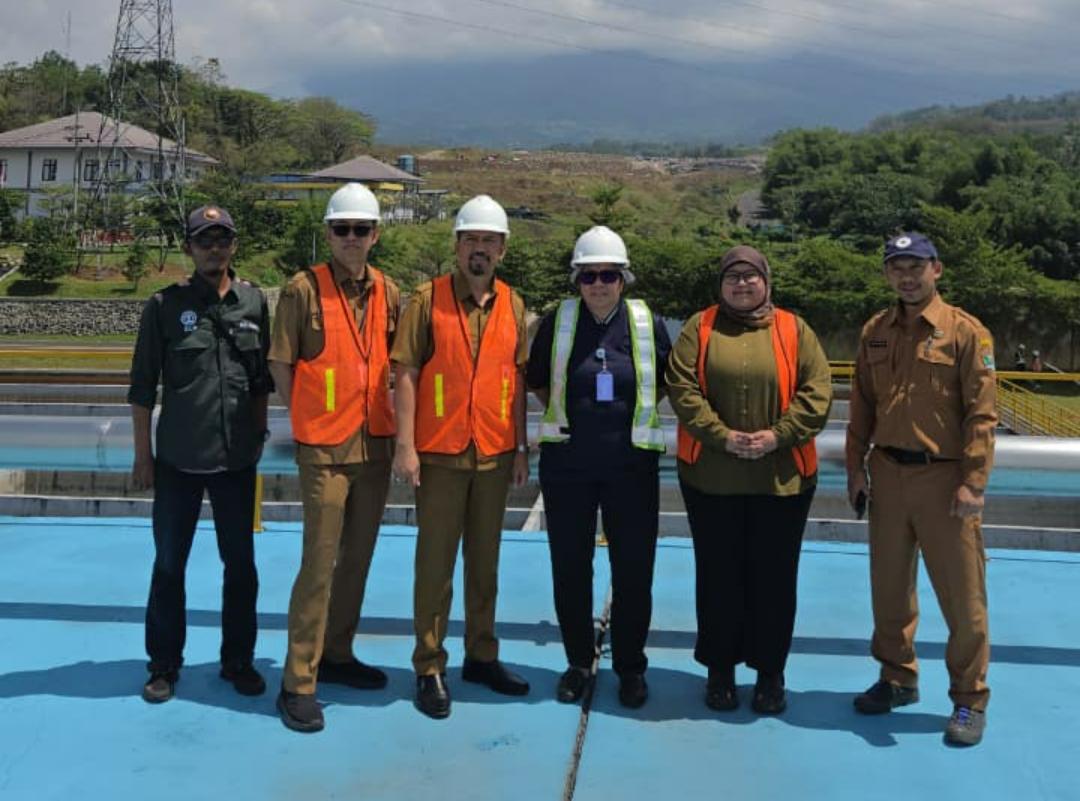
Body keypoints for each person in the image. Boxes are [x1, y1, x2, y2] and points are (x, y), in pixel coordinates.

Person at [846, 232, 997, 747]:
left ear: (937, 269)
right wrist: (854, 468)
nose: (906, 276)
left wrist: (973, 482)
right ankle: (897, 677)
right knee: (888, 588)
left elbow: (982, 414)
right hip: (887, 474)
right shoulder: (876, 330)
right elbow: (861, 406)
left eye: (916, 266)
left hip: (945, 479)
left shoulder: (966, 333)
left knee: (962, 597)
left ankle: (969, 699)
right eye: (896, 268)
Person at [666, 245, 831, 715]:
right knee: (718, 577)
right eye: (732, 277)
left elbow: (816, 392)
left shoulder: (794, 329)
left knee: (774, 579)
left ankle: (769, 674)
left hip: (781, 481)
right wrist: (722, 436)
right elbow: (683, 389)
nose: (741, 284)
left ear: (766, 281)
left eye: (750, 276)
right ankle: (720, 670)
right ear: (719, 285)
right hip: (711, 479)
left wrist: (777, 437)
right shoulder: (698, 329)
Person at [391, 194, 531, 719]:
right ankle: (429, 665)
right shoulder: (426, 301)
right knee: (435, 564)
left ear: (502, 249)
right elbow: (404, 373)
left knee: (485, 562)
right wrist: (406, 446)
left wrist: (518, 446)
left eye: (489, 241)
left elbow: (515, 382)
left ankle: (481, 655)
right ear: (456, 245)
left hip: (494, 453)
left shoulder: (515, 305)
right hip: (441, 454)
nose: (480, 249)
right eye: (471, 239)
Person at [270, 183, 400, 733]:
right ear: (328, 234)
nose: (352, 239)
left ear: (375, 235)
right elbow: (280, 364)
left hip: (373, 446)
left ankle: (338, 654)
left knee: (358, 559)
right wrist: (308, 419)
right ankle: (299, 680)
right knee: (319, 564)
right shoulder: (303, 290)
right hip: (324, 449)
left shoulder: (390, 292)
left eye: (362, 229)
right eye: (343, 229)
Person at [129, 205, 272, 704]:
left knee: (242, 566)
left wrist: (259, 431)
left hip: (236, 462)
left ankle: (238, 660)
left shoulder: (253, 302)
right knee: (169, 564)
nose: (215, 248)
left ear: (234, 245)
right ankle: (164, 665)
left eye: (223, 239)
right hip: (177, 461)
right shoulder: (165, 306)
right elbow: (142, 387)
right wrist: (142, 456)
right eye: (204, 240)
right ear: (188, 247)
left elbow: (260, 381)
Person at [527, 226, 670, 708]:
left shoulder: (646, 323)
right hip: (569, 467)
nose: (599, 284)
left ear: (623, 278)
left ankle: (630, 666)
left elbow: (665, 382)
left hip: (632, 467)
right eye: (589, 276)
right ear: (577, 279)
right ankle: (578, 662)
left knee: (633, 571)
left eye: (608, 274)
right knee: (570, 567)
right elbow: (538, 381)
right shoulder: (559, 321)